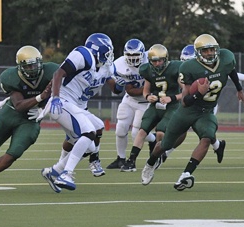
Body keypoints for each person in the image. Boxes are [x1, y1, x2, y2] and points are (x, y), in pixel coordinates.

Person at [140, 34, 244, 190]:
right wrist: (199, 93)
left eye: (212, 49)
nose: (210, 53)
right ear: (198, 53)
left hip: (207, 111)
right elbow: (184, 101)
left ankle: (185, 175)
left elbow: (230, 70)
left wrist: (239, 89)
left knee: (207, 137)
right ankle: (150, 164)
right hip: (187, 111)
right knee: (164, 144)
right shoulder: (189, 68)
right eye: (206, 51)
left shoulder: (226, 57)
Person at [40, 33, 116, 191]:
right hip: (61, 101)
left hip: (75, 105)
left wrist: (120, 83)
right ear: (98, 50)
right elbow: (58, 73)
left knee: (95, 133)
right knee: (88, 132)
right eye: (107, 52)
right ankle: (66, 174)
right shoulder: (83, 55)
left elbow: (115, 86)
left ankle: (55, 171)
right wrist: (55, 97)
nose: (109, 56)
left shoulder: (103, 66)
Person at [0, 46, 56, 179]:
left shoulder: (52, 71)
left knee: (14, 153)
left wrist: (44, 109)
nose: (32, 69)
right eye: (28, 66)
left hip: (30, 120)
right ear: (19, 66)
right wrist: (41, 97)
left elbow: (63, 94)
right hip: (11, 113)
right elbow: (19, 105)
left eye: (34, 65)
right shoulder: (11, 77)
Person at [120, 44, 183, 172]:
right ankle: (131, 161)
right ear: (150, 61)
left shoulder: (175, 68)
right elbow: (146, 90)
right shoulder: (147, 70)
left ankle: (158, 156)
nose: (158, 63)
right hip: (156, 106)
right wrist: (148, 96)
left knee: (160, 132)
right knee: (141, 131)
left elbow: (185, 92)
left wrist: (172, 98)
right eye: (154, 61)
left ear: (166, 59)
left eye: (160, 60)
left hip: (172, 106)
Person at [105, 38, 157, 170]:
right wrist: (117, 84)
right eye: (130, 55)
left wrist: (139, 90)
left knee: (136, 133)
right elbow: (117, 90)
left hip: (146, 102)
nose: (133, 59)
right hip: (129, 99)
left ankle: (153, 139)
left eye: (136, 55)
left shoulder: (151, 61)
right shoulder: (118, 64)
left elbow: (153, 86)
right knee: (120, 128)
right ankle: (120, 159)